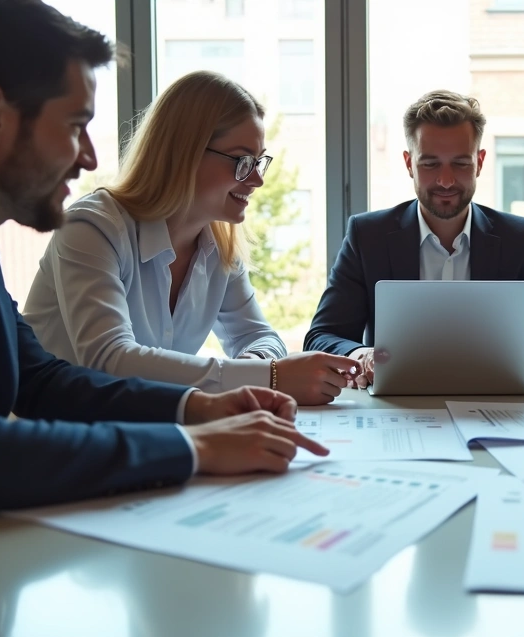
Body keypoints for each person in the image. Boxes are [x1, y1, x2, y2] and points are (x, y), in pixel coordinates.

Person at [0, 0, 326, 568]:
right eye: (76, 125)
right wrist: (191, 448)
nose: (90, 156)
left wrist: (196, 409)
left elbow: (41, 379)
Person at [24, 71, 359, 406]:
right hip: (56, 441)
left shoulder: (218, 243)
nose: (257, 179)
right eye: (243, 161)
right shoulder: (92, 227)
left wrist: (252, 368)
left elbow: (258, 335)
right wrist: (269, 377)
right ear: (184, 153)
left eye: (259, 162)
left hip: (142, 432)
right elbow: (109, 360)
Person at [304, 90, 524, 387]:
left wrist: (483, 359)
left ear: (480, 162)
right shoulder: (367, 236)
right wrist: (361, 354)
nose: (446, 181)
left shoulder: (519, 238)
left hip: (494, 407)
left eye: (460, 164)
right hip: (396, 412)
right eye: (430, 164)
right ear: (409, 164)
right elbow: (321, 337)